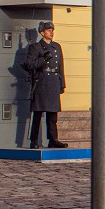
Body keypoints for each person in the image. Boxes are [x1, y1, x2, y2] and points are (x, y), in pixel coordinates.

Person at [23, 20, 68, 149]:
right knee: (38, 113)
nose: (51, 32)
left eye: (52, 30)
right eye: (48, 30)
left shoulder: (57, 47)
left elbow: (60, 66)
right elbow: (29, 65)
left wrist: (62, 83)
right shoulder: (35, 47)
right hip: (42, 81)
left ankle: (53, 139)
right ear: (42, 33)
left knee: (53, 115)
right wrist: (43, 59)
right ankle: (34, 140)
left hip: (53, 81)